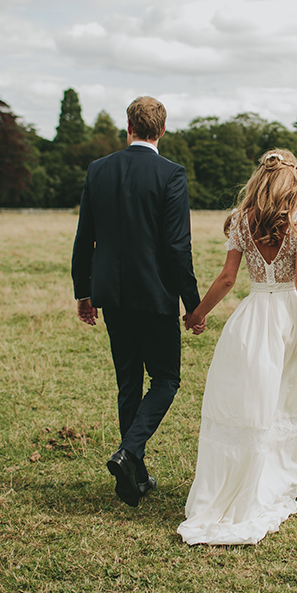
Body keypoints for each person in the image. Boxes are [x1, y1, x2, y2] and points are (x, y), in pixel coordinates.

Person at [177, 148, 297, 546]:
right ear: (292, 181)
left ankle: (255, 477)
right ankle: (292, 477)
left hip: (254, 315)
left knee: (250, 402)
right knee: (290, 398)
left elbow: (226, 279)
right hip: (289, 318)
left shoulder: (242, 220)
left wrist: (197, 314)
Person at [70, 96, 201, 509]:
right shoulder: (171, 174)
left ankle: (134, 479)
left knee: (128, 382)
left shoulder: (98, 170)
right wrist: (192, 304)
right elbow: (178, 247)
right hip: (155, 294)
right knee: (165, 379)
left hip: (112, 294)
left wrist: (83, 291)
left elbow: (84, 236)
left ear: (128, 127)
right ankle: (129, 454)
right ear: (161, 131)